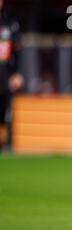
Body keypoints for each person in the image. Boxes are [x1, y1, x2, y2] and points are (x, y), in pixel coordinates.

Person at [0, 0, 24, 153]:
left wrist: (16, 73)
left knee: (4, 112)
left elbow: (17, 51)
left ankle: (4, 145)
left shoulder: (9, 23)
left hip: (4, 76)